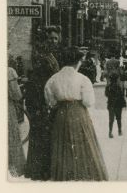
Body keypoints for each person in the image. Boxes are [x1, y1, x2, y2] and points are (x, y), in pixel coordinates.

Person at [44, 47, 108, 181]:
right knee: (82, 145)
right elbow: (88, 101)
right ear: (78, 61)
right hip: (78, 113)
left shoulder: (52, 79)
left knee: (62, 146)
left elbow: (50, 100)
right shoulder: (83, 79)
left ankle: (65, 176)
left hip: (60, 115)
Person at [24, 26, 61, 180]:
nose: (53, 41)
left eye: (55, 38)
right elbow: (39, 81)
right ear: (45, 39)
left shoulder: (50, 55)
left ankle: (42, 170)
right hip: (40, 101)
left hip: (46, 101)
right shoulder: (41, 56)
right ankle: (39, 171)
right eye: (50, 38)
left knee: (44, 136)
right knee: (41, 136)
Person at [8, 67, 26, 177]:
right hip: (6, 107)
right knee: (11, 136)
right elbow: (16, 94)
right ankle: (14, 169)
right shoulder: (9, 71)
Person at [105, 73, 126, 138]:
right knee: (119, 118)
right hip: (118, 105)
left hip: (111, 104)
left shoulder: (108, 87)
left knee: (111, 119)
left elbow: (106, 94)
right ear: (116, 80)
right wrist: (124, 103)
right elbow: (122, 95)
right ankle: (119, 131)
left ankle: (110, 132)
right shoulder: (119, 86)